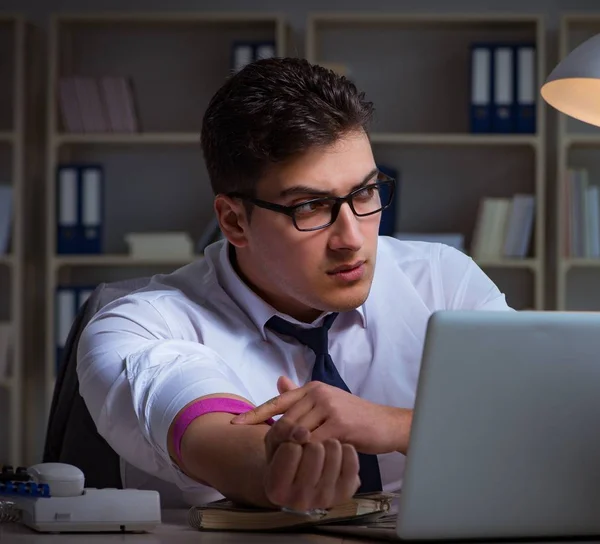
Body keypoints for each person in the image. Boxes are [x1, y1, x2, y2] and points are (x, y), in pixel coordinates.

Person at [77, 57, 512, 511]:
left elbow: (534, 421)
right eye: (310, 207)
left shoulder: (443, 282)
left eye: (364, 193)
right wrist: (276, 467)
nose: (351, 238)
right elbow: (200, 423)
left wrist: (397, 426)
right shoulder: (140, 324)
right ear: (233, 221)